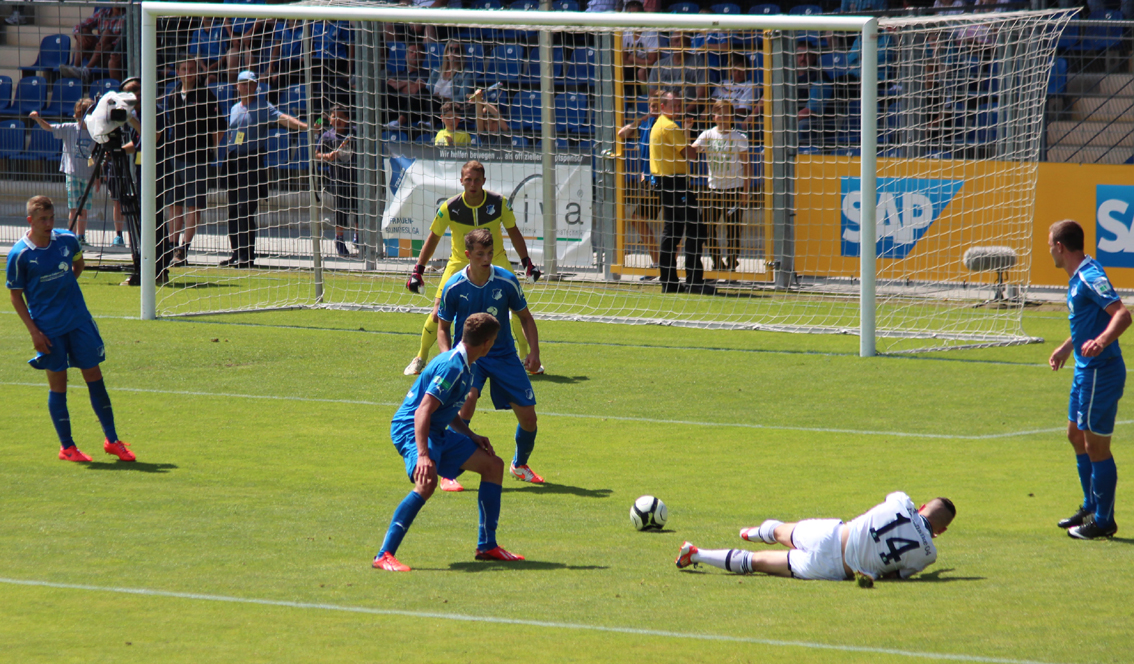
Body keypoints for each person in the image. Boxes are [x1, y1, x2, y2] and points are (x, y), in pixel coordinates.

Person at [373, 312, 526, 572]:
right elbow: (422, 411)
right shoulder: (452, 366)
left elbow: (445, 409)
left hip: (436, 428)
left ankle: (487, 546)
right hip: (412, 428)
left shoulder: (470, 364)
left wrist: (471, 435)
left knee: (493, 465)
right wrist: (423, 455)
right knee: (427, 481)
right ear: (487, 343)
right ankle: (384, 554)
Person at [6, 196, 136, 463]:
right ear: (30, 220)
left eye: (52, 218)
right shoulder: (20, 254)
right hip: (48, 328)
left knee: (95, 378)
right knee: (59, 386)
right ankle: (67, 447)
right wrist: (34, 332)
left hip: (78, 321)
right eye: (43, 219)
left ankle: (112, 441)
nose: (49, 224)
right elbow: (15, 296)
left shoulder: (67, 240)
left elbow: (78, 265)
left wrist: (65, 288)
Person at [403, 160, 541, 380]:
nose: (473, 184)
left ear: (484, 181)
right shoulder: (450, 207)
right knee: (438, 312)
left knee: (517, 309)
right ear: (461, 181)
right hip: (460, 261)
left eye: (477, 180)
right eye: (468, 180)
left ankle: (526, 357)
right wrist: (417, 270)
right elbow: (433, 238)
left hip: (495, 259)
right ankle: (421, 357)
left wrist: (527, 263)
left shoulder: (499, 203)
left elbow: (514, 232)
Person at [437, 228, 544, 489]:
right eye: (480, 254)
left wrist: (534, 352)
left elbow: (526, 318)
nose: (486, 259)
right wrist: (448, 359)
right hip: (470, 357)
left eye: (490, 253)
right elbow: (442, 327)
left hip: (504, 355)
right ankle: (448, 472)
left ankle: (519, 465)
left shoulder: (506, 281)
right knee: (467, 402)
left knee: (529, 419)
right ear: (468, 255)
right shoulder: (454, 286)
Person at [1047, 220, 1130, 539]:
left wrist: (1101, 342)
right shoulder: (1078, 275)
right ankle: (1091, 505)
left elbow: (1122, 314)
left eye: (1049, 245)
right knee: (1074, 434)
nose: (1049, 252)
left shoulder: (1090, 277)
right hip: (1084, 369)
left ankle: (1104, 520)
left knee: (1096, 445)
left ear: (1060, 247)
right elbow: (1086, 320)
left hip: (1101, 372)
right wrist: (1068, 346)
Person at [676, 492, 955, 584]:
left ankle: (752, 532)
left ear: (921, 507)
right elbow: (894, 577)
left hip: (830, 534)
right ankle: (696, 554)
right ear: (941, 532)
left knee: (780, 532)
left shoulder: (902, 501)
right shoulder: (929, 555)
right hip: (833, 569)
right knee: (756, 563)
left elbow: (894, 505)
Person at [222, 70, 308, 267]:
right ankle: (236, 253)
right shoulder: (235, 108)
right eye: (243, 83)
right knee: (233, 208)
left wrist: (304, 127)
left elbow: (283, 118)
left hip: (251, 161)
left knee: (246, 208)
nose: (247, 87)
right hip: (233, 160)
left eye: (251, 84)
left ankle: (247, 255)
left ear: (256, 86)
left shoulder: (263, 106)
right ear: (237, 86)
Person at [163, 58, 224, 267]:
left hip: (197, 158)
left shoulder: (207, 96)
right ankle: (171, 248)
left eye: (191, 69)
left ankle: (183, 249)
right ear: (178, 72)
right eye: (184, 69)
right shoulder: (172, 95)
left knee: (194, 206)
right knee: (174, 205)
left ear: (197, 72)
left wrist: (212, 150)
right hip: (175, 157)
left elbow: (220, 127)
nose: (188, 72)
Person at [649, 91, 712, 294]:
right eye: (674, 106)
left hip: (664, 183)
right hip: (676, 184)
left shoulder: (660, 123)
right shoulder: (670, 126)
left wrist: (684, 131)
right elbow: (691, 155)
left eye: (679, 105)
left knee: (672, 232)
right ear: (662, 107)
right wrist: (702, 145)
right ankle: (694, 281)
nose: (678, 109)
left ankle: (669, 282)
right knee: (696, 230)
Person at [690, 99, 751, 273]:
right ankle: (717, 261)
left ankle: (732, 262)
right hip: (714, 189)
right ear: (713, 116)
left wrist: (746, 192)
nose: (722, 117)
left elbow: (747, 166)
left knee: (733, 229)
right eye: (719, 113)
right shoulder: (707, 135)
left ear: (732, 116)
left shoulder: (739, 138)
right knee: (707, 228)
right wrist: (687, 130)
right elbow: (691, 151)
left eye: (726, 114)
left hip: (735, 188)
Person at [30, 100, 97, 247]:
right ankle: (71, 236)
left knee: (84, 209)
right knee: (74, 207)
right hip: (72, 173)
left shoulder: (95, 133)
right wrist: (38, 119)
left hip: (89, 174)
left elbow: (97, 156)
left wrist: (97, 177)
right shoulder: (69, 128)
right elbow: (50, 128)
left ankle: (81, 236)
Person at [617, 93, 661, 276]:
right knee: (638, 219)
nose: (654, 109)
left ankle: (662, 264)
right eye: (651, 105)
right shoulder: (645, 123)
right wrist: (640, 120)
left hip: (662, 178)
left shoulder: (666, 125)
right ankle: (659, 263)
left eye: (657, 105)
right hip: (648, 181)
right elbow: (622, 133)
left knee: (672, 223)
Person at [314, 106, 358, 257]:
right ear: (330, 119)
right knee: (341, 210)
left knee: (358, 209)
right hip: (338, 179)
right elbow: (316, 154)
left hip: (356, 178)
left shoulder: (354, 134)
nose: (337, 120)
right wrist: (328, 156)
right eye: (334, 116)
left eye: (341, 116)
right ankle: (339, 240)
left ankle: (358, 238)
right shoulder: (327, 136)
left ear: (347, 119)